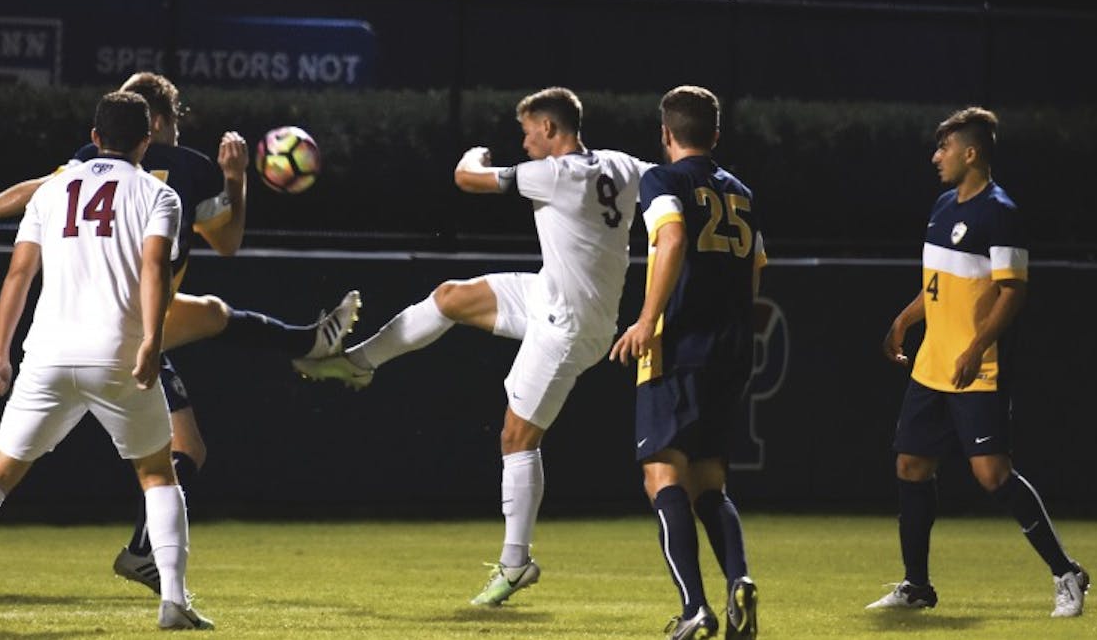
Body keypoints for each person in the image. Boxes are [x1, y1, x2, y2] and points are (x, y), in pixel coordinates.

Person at [0, 72, 360, 592]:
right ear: (155, 125)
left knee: (208, 316)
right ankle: (155, 562)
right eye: (175, 120)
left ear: (101, 135)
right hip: (134, 324)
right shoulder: (186, 172)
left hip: (68, 328)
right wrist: (237, 179)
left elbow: (39, 196)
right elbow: (225, 243)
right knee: (169, 460)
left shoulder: (81, 167)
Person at [294, 86, 652, 606]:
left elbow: (466, 178)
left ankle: (516, 562)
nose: (525, 142)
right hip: (553, 295)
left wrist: (475, 155)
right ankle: (358, 364)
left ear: (551, 129)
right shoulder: (620, 164)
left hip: (567, 325)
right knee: (452, 298)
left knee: (516, 438)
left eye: (529, 131)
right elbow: (665, 183)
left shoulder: (553, 173)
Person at [0, 91, 212, 629]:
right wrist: (151, 341)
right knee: (157, 474)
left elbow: (19, 275)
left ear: (94, 137)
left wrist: (0, 352)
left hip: (48, 355)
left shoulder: (52, 191)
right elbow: (154, 270)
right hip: (117, 355)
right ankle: (173, 601)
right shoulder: (156, 194)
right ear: (146, 141)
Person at [867, 106, 1089, 618]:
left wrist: (974, 349)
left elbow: (1013, 292)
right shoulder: (944, 204)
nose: (935, 157)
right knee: (911, 465)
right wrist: (904, 321)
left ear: (971, 153)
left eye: (943, 148)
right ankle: (917, 585)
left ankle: (1065, 572)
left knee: (992, 474)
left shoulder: (999, 210)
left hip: (975, 366)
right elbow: (938, 284)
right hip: (933, 364)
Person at [609, 86, 765, 640]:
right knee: (709, 484)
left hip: (679, 348)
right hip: (732, 349)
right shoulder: (740, 192)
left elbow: (671, 239)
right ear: (715, 135)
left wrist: (648, 320)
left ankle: (695, 607)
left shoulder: (664, 179)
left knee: (661, 475)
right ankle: (738, 580)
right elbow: (755, 267)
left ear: (666, 135)